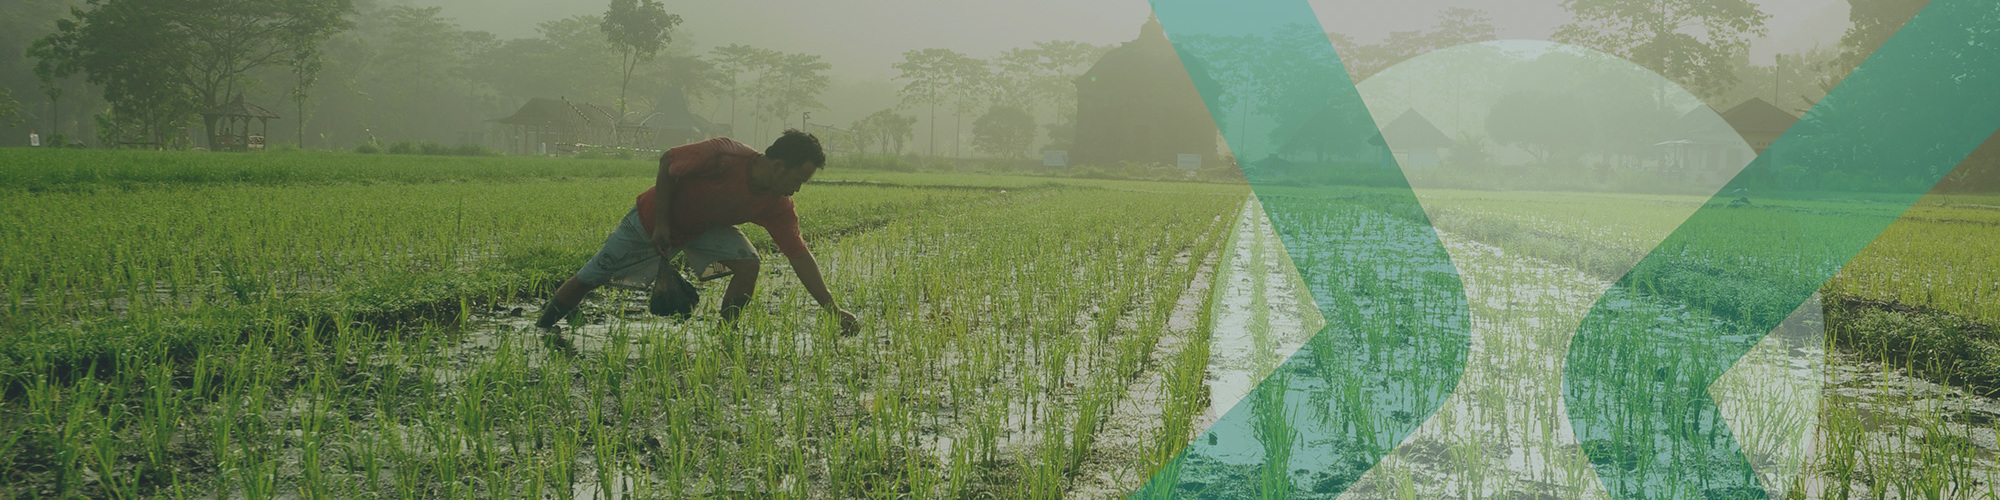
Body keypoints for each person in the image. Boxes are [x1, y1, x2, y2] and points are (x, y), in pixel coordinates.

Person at [534, 129, 860, 340]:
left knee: (748, 264)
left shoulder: (777, 204)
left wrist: (831, 307)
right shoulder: (723, 155)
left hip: (700, 232)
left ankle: (724, 337)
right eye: (799, 179)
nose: (798, 189)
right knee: (591, 277)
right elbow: (667, 163)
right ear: (778, 167)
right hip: (650, 221)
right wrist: (662, 223)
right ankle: (543, 329)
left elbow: (799, 255)